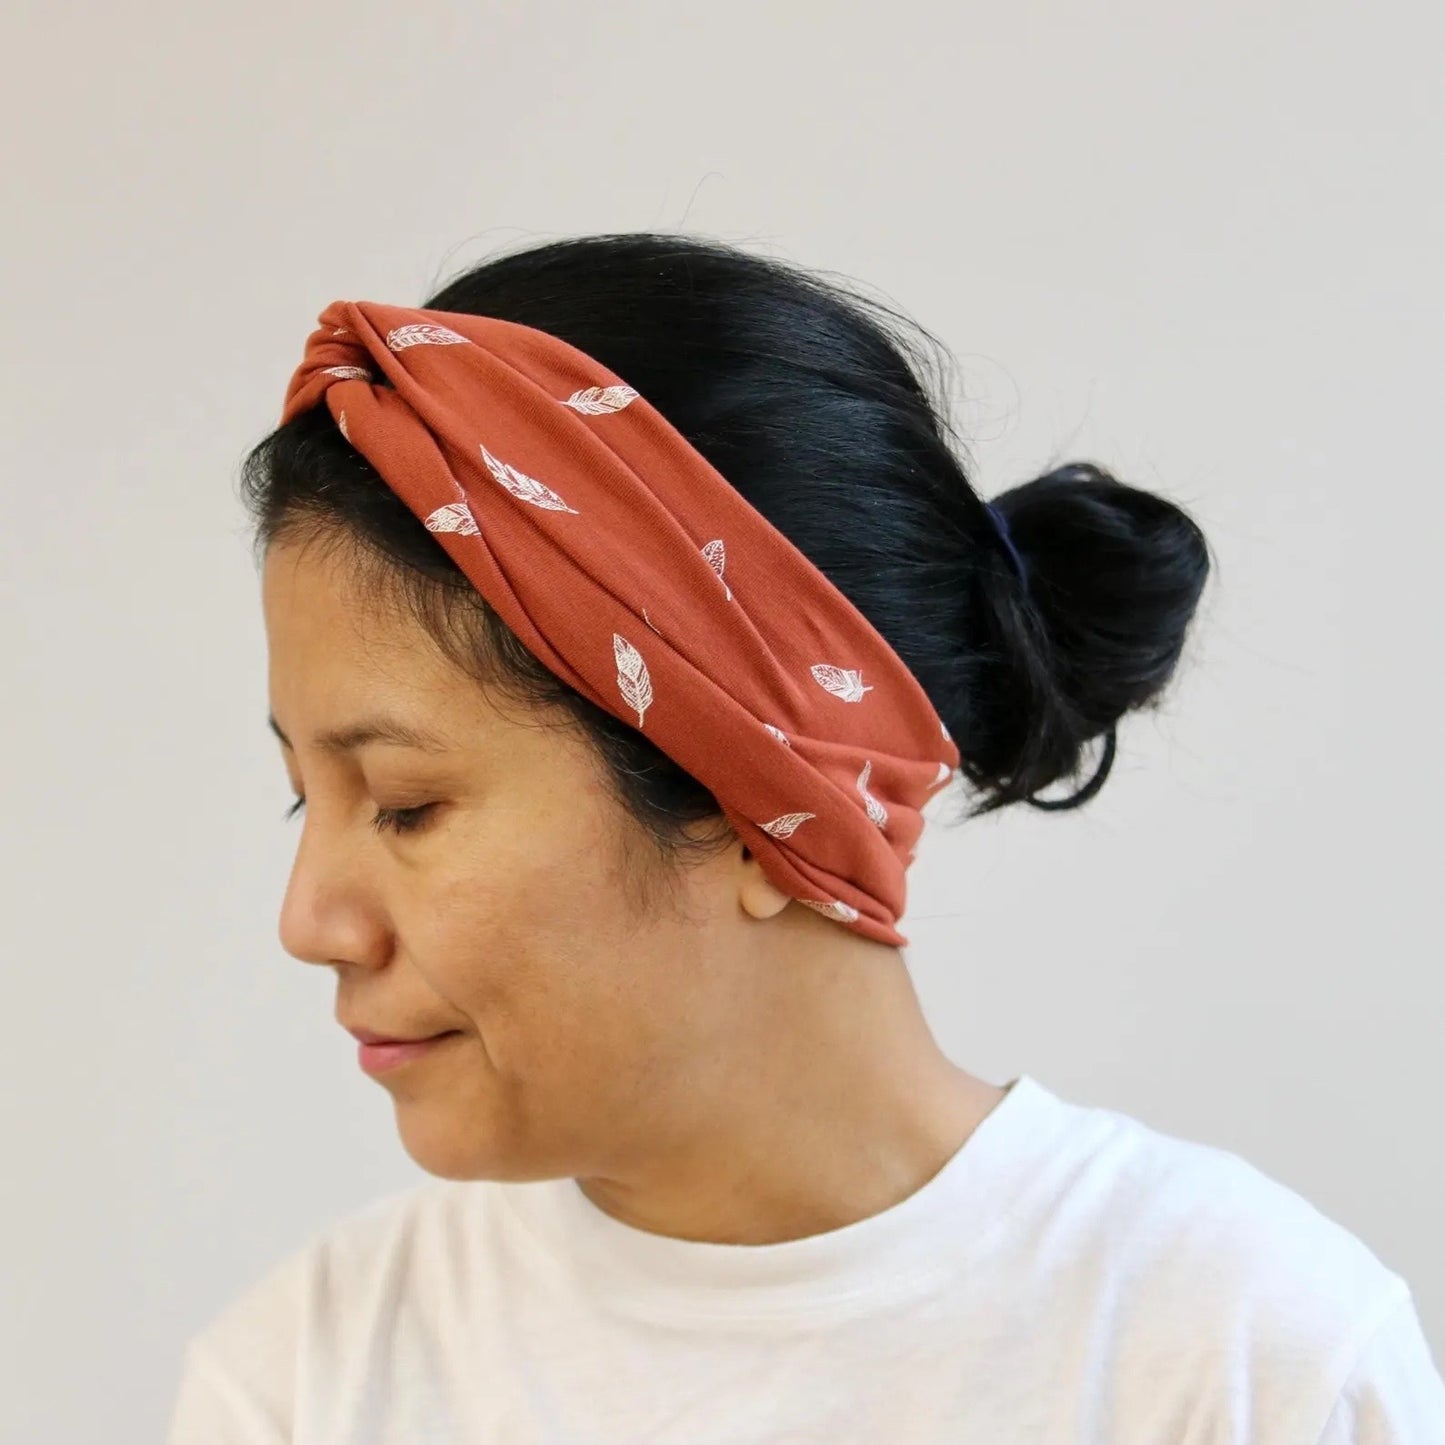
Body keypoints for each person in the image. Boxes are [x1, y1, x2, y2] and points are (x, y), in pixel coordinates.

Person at [166, 231, 1445, 1442]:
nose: (308, 920)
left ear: (750, 795)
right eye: (302, 796)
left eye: (404, 804)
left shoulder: (1242, 1357)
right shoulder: (310, 1375)